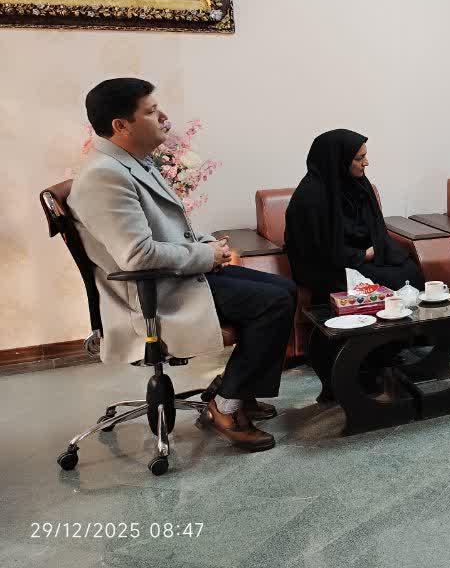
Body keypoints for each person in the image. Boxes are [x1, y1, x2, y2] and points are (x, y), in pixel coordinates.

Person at [70, 78, 295, 453]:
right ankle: (225, 405)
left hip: (175, 277)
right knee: (273, 302)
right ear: (121, 125)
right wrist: (208, 256)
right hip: (152, 293)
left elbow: (172, 229)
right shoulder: (104, 177)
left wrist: (208, 244)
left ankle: (238, 389)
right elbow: (137, 255)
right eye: (151, 111)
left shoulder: (132, 162)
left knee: (284, 288)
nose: (164, 117)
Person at [284, 129, 449, 396]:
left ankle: (391, 348)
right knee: (388, 281)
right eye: (359, 158)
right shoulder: (311, 196)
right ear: (339, 160)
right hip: (328, 265)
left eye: (365, 156)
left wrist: (376, 250)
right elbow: (314, 248)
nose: (366, 163)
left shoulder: (359, 184)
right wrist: (362, 256)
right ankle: (368, 356)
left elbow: (375, 227)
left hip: (362, 255)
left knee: (409, 272)